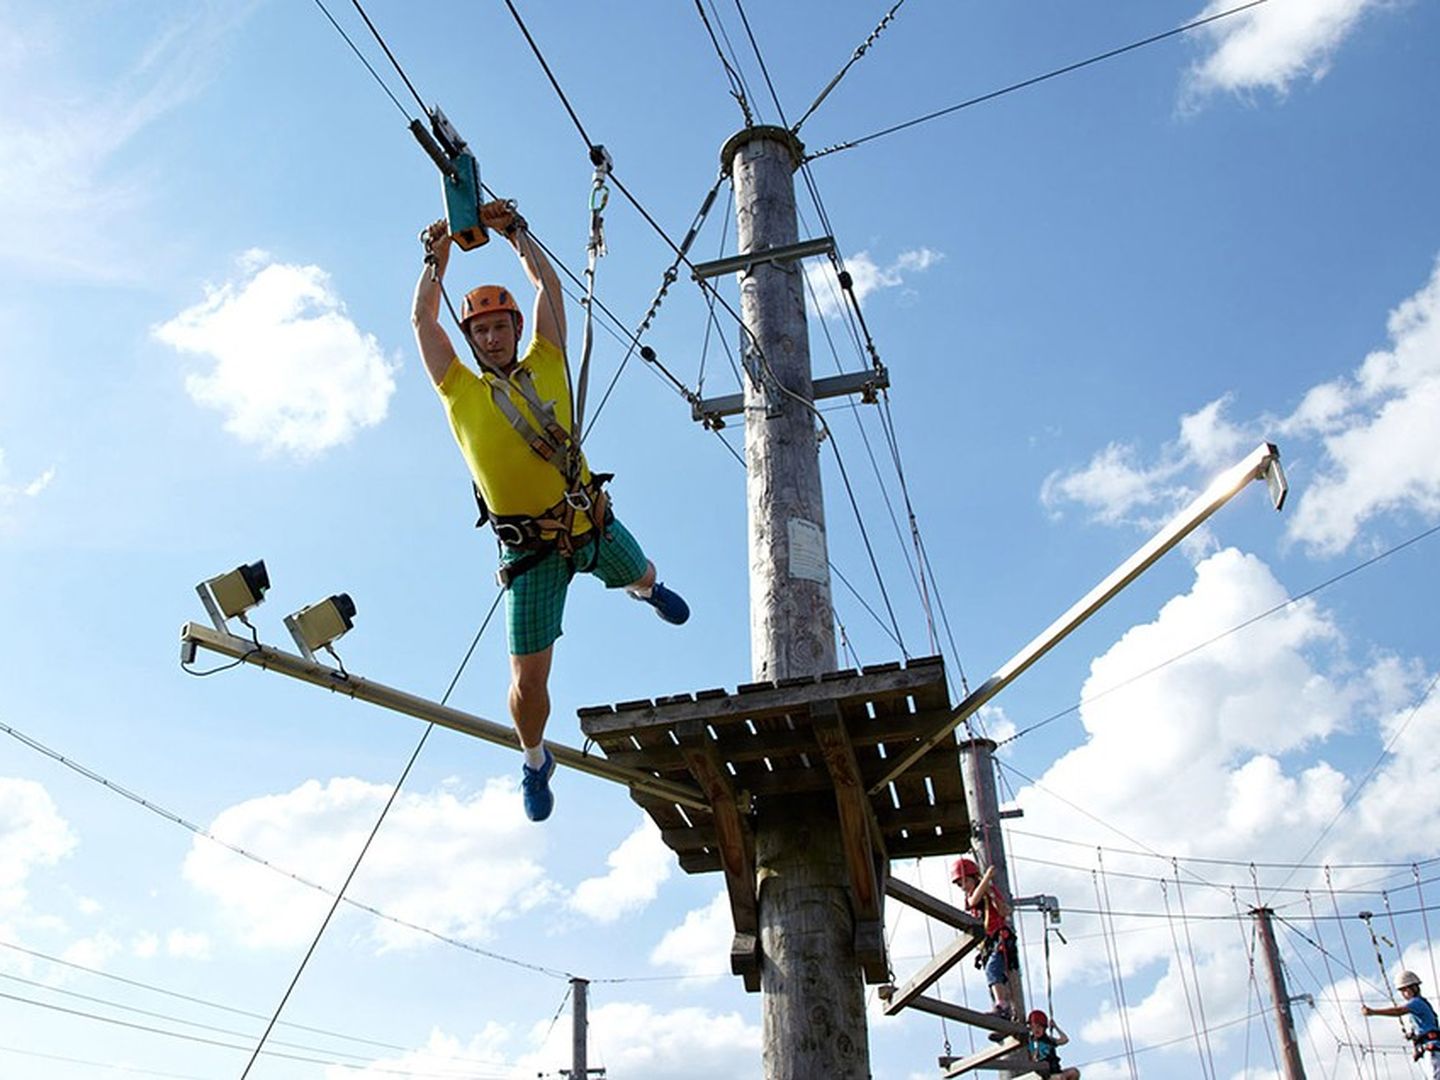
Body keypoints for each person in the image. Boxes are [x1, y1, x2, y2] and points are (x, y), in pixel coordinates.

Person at [412, 200, 689, 823]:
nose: (491, 337)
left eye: (499, 327)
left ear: (514, 328)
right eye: (480, 331)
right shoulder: (460, 391)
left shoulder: (548, 359)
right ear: (472, 340)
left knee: (640, 571)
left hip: (589, 520)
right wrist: (439, 256)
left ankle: (646, 591)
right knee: (529, 681)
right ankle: (534, 759)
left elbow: (547, 285)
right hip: (530, 552)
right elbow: (422, 319)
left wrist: (516, 231)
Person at [952, 856, 1017, 1024]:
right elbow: (974, 901)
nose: (962, 887)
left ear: (973, 877)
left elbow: (1003, 912)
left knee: (994, 970)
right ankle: (1004, 1009)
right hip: (988, 942)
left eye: (963, 882)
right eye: (959, 884)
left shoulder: (989, 891)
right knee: (994, 976)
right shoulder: (972, 897)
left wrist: (994, 896)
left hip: (999, 937)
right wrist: (987, 877)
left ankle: (1003, 1006)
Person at [1362, 970, 1440, 1078]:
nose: (1403, 994)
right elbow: (1425, 1027)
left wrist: (1373, 1012)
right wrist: (1413, 1035)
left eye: (1405, 990)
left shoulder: (1416, 1002)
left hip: (1431, 1049)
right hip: (1427, 1049)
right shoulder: (1420, 1004)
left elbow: (1399, 1011)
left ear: (1414, 988)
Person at [1025, 1009, 1080, 1079]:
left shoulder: (1049, 1040)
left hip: (1055, 1072)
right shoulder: (1031, 1042)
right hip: (1045, 1076)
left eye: (1039, 1027)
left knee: (1074, 1072)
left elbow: (1065, 1040)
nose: (1036, 1030)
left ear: (1044, 1028)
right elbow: (1031, 1059)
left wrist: (1055, 1027)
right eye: (1033, 1027)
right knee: (1060, 1078)